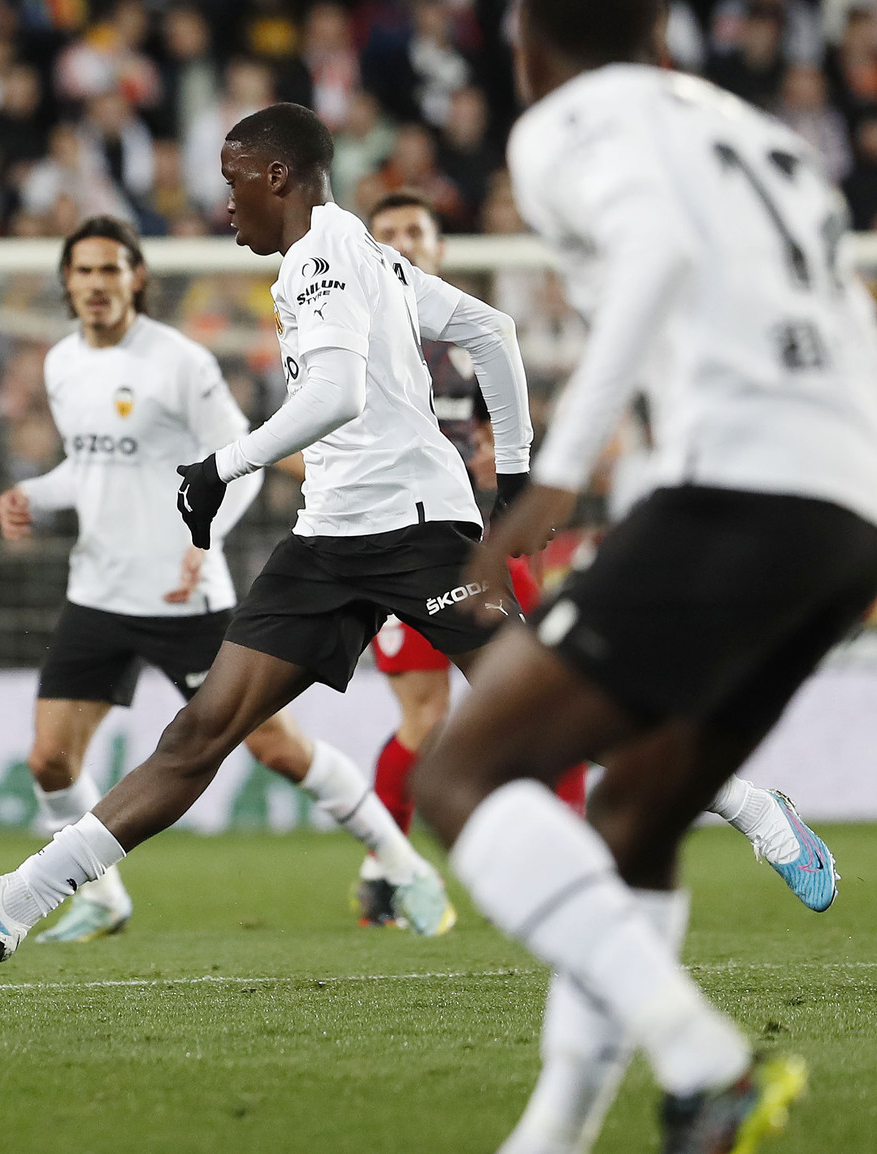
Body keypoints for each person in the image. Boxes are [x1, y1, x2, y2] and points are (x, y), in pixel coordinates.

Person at [0, 102, 533, 962]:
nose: (224, 203)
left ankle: (757, 813)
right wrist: (519, 474)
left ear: (277, 176)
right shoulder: (360, 248)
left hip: (419, 534)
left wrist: (222, 465)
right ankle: (14, 901)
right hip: (331, 538)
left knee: (545, 705)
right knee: (198, 734)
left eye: (233, 181)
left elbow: (338, 394)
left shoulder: (321, 258)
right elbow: (490, 332)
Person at [408, 3, 877, 1151]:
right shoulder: (750, 130)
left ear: (527, 53)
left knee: (461, 773)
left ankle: (704, 1061)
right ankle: (558, 1134)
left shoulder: (567, 119)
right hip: (842, 509)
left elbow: (658, 252)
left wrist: (558, 475)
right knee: (638, 813)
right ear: (660, 40)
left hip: (735, 495)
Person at [358, 190, 837, 928]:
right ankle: (390, 873)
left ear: (438, 247)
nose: (397, 245)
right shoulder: (353, 333)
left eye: (411, 232)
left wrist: (517, 477)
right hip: (365, 545)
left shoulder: (470, 336)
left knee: (547, 718)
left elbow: (527, 426)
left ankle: (725, 819)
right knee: (416, 723)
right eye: (383, 234)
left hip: (468, 548)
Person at [0, 214, 456, 943]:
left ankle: (402, 863)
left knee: (275, 747)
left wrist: (201, 537)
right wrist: (36, 495)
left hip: (185, 596)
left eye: (109, 269)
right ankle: (101, 896)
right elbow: (91, 468)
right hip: (98, 591)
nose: (95, 284)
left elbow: (239, 458)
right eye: (82, 271)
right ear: (65, 282)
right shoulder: (60, 364)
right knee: (49, 757)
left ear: (136, 277)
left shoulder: (179, 361)